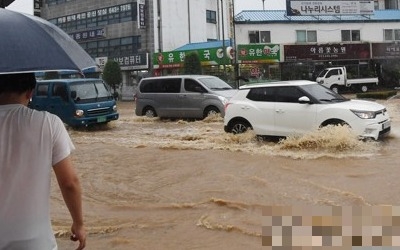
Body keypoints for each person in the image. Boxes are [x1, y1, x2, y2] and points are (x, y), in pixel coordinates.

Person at [0, 73, 86, 250]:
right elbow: (69, 182)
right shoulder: (49, 123)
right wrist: (79, 224)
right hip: (35, 243)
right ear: (30, 93)